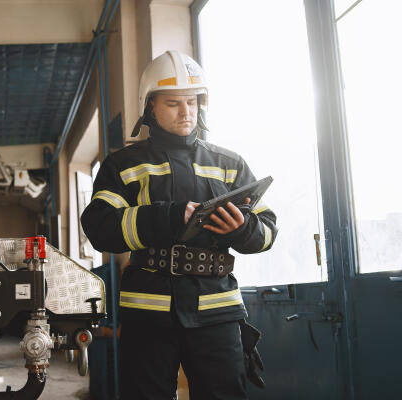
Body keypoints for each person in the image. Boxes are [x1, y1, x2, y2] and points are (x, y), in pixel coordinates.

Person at [80, 50, 277, 399]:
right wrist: (166, 217)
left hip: (217, 310)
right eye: (173, 103)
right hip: (147, 314)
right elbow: (99, 227)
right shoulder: (122, 165)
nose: (187, 112)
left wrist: (242, 230)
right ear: (150, 107)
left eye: (192, 102)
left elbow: (267, 231)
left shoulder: (229, 163)